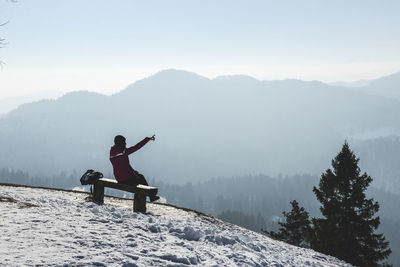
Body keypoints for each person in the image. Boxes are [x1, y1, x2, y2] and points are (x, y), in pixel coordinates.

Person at [110, 134, 159, 202]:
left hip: (118, 178)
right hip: (126, 179)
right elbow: (136, 147)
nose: (125, 143)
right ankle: (151, 197)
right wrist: (147, 139)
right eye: (124, 142)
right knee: (141, 178)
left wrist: (133, 171)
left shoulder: (112, 152)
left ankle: (150, 197)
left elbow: (123, 166)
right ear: (120, 143)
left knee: (137, 175)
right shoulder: (123, 152)